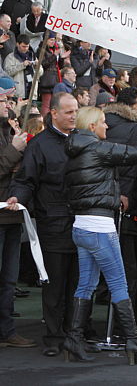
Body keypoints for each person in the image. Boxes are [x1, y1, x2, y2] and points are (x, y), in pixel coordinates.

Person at [63, 106, 137, 364]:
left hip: (81, 226)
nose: (108, 127)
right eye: (103, 122)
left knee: (87, 285)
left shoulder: (75, 151)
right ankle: (133, 342)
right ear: (92, 126)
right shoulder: (97, 149)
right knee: (118, 285)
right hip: (100, 228)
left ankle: (74, 338)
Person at [7, 92, 79, 356]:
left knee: (78, 283)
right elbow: (26, 179)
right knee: (55, 283)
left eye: (76, 111)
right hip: (53, 221)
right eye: (69, 111)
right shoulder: (39, 145)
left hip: (82, 221)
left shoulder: (84, 140)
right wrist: (18, 196)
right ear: (55, 114)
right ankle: (53, 337)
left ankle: (75, 334)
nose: (74, 116)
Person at [103, 87, 137, 335]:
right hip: (125, 211)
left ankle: (118, 328)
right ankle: (126, 329)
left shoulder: (112, 125)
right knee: (128, 273)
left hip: (117, 209)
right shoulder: (134, 129)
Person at [0, 82, 35, 348]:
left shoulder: (9, 130)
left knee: (9, 279)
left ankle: (7, 331)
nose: (8, 104)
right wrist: (14, 149)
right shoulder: (10, 137)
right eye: (3, 99)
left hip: (12, 214)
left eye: (9, 100)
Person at [4, 34, 41, 99]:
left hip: (32, 94)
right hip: (18, 94)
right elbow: (7, 73)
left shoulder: (33, 56)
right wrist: (22, 65)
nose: (26, 48)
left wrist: (37, 67)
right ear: (17, 44)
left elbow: (40, 73)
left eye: (27, 46)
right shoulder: (10, 57)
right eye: (23, 46)